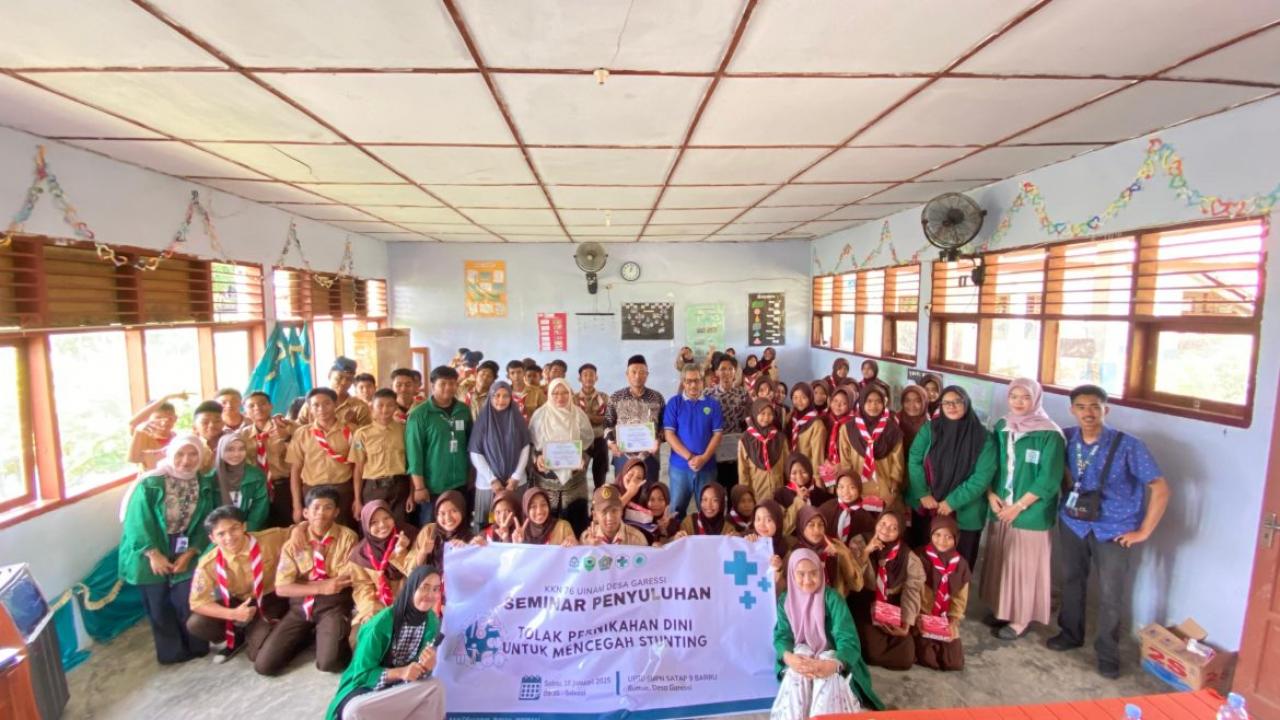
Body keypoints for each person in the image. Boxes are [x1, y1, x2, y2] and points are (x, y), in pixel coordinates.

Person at [1048, 384, 1170, 679]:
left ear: (1106, 409)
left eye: (1094, 406)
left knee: (1110, 593)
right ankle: (1070, 634)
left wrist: (1143, 531)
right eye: (1081, 407)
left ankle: (1107, 653)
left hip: (1114, 529)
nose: (1088, 413)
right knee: (1072, 580)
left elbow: (1160, 488)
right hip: (1074, 523)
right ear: (1072, 410)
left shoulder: (1128, 445)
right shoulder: (1066, 438)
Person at [119, 435, 219, 664]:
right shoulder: (151, 483)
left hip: (185, 547)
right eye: (180, 454)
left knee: (188, 598)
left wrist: (192, 551)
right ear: (170, 454)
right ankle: (172, 653)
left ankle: (197, 645)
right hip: (149, 551)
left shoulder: (202, 483)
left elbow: (206, 521)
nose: (186, 460)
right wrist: (153, 553)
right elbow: (137, 522)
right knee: (159, 604)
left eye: (193, 454)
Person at [981, 378, 1065, 642]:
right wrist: (990, 494)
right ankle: (1003, 610)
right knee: (1002, 561)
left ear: (1036, 399)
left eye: (1025, 397)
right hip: (1000, 506)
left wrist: (1018, 506)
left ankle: (1021, 619)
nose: (1018, 402)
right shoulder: (1003, 427)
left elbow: (1049, 480)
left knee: (1025, 567)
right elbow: (992, 465)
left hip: (1030, 512)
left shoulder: (1049, 434)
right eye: (1014, 396)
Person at [257, 486, 358, 675]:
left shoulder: (347, 538)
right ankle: (307, 636)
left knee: (329, 663)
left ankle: (329, 634)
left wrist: (302, 584)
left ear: (336, 512)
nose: (321, 513)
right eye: (316, 507)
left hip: (333, 605)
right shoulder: (293, 543)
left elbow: (340, 582)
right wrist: (320, 586)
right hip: (300, 606)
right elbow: (282, 588)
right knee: (264, 666)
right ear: (305, 512)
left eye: (328, 507)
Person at [772, 549, 883, 719]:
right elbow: (782, 637)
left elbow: (848, 640)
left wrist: (832, 665)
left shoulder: (833, 599)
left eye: (813, 573)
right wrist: (790, 658)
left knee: (828, 674)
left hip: (836, 659)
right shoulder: (785, 601)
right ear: (791, 575)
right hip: (804, 658)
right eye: (801, 574)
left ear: (821, 571)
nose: (808, 580)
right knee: (799, 663)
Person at [326, 565, 446, 720]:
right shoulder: (380, 625)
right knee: (355, 711)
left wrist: (426, 667)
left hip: (399, 689)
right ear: (411, 588)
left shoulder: (431, 622)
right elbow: (362, 675)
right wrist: (400, 672)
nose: (430, 595)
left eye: (436, 589)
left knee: (436, 688)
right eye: (425, 587)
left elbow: (416, 672)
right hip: (369, 689)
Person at [186, 506, 289, 664]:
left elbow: (299, 530)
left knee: (257, 655)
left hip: (272, 598)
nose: (229, 537)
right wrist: (233, 614)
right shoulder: (208, 563)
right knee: (196, 623)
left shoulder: (271, 538)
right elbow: (197, 602)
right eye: (221, 534)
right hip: (240, 602)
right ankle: (237, 635)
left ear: (244, 526)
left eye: (234, 529)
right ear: (212, 538)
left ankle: (262, 630)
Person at [906, 385, 996, 565]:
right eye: (946, 403)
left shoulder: (983, 437)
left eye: (957, 402)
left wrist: (952, 502)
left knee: (959, 566)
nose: (951, 406)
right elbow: (914, 459)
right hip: (928, 507)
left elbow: (982, 477)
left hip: (965, 512)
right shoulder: (930, 429)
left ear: (967, 403)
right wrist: (923, 493)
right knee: (922, 562)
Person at [854, 511, 923, 671]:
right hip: (864, 600)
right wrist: (866, 552)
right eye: (883, 524)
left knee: (906, 658)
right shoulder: (859, 541)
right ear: (876, 523)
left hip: (892, 603)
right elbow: (851, 576)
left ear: (900, 532)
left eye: (893, 528)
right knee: (872, 653)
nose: (886, 530)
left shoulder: (907, 555)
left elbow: (912, 590)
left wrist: (906, 622)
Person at [406, 366, 473, 526]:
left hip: (460, 483)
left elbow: (470, 444)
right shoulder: (419, 415)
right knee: (432, 529)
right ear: (432, 385)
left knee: (459, 527)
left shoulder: (463, 410)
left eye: (452, 383)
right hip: (433, 486)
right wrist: (419, 487)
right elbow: (414, 454)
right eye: (443, 383)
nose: (448, 388)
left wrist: (470, 476)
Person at [529, 378, 594, 534]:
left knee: (576, 529)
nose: (560, 397)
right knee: (546, 530)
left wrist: (583, 458)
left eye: (565, 392)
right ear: (549, 395)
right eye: (555, 393)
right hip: (546, 483)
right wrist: (536, 458)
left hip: (574, 484)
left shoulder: (578, 415)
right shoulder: (539, 416)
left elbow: (589, 443)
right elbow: (530, 445)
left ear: (570, 394)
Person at [287, 388, 358, 530]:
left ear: (335, 404)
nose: (322, 409)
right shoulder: (302, 434)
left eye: (327, 403)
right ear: (310, 408)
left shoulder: (351, 431)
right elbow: (295, 470)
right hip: (312, 491)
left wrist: (357, 499)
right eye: (316, 405)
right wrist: (297, 506)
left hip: (343, 491)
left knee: (345, 532)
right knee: (315, 532)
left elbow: (357, 467)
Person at [348, 501, 416, 646]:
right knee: (360, 637)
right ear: (366, 526)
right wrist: (371, 609)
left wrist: (401, 553)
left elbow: (418, 574)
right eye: (374, 522)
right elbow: (362, 587)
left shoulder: (411, 536)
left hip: (410, 601)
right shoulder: (360, 553)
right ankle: (369, 668)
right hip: (379, 604)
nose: (382, 525)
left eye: (386, 518)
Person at [468, 381, 531, 534]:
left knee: (515, 520)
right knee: (491, 521)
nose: (500, 400)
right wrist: (492, 479)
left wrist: (516, 476)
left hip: (515, 484)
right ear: (490, 397)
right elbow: (475, 453)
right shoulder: (482, 421)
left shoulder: (517, 420)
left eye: (505, 396)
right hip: (488, 485)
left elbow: (525, 447)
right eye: (496, 396)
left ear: (511, 398)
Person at [663, 364, 724, 519]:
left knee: (708, 512)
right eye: (689, 381)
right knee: (676, 511)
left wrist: (703, 458)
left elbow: (717, 435)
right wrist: (690, 457)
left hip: (707, 468)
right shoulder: (674, 403)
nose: (693, 385)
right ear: (683, 382)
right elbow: (669, 434)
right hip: (680, 468)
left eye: (697, 380)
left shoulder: (713, 404)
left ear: (702, 381)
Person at [914, 515, 971, 672]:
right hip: (922, 615)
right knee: (928, 658)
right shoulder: (919, 557)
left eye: (948, 537)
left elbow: (960, 598)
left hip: (945, 618)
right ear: (930, 535)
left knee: (953, 662)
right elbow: (912, 591)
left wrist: (953, 620)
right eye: (937, 535)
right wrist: (918, 615)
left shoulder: (961, 564)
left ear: (956, 539)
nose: (942, 541)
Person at [838, 384, 906, 517]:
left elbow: (898, 462)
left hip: (883, 486)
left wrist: (894, 486)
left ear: (884, 403)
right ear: (862, 402)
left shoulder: (892, 429)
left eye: (878, 401)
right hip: (856, 487)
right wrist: (848, 483)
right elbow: (845, 459)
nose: (873, 406)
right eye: (869, 401)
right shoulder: (848, 428)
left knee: (880, 523)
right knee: (858, 522)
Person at [604, 354, 666, 485]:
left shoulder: (657, 397)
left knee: (649, 493)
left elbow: (664, 426)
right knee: (623, 492)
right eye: (634, 372)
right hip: (623, 455)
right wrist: (611, 443)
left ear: (647, 375)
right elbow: (607, 423)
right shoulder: (616, 397)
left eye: (642, 372)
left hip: (650, 455)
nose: (638, 376)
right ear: (627, 374)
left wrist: (659, 440)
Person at [352, 389, 411, 527]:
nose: (385, 410)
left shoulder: (405, 430)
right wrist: (357, 499)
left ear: (396, 407)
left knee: (400, 527)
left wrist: (412, 493)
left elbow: (411, 463)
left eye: (390, 405)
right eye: (380, 405)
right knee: (374, 527)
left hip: (400, 487)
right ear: (372, 406)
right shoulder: (362, 434)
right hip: (373, 488)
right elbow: (358, 469)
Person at [240, 391, 297, 528]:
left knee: (287, 527)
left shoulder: (288, 427)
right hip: (257, 490)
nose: (257, 408)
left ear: (271, 406)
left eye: (262, 404)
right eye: (251, 406)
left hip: (284, 487)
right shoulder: (242, 435)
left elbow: (301, 454)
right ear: (245, 412)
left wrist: (286, 438)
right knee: (261, 528)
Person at [791, 505, 861, 596]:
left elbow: (856, 585)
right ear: (801, 526)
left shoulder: (836, 545)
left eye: (821, 525)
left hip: (834, 605)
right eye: (811, 525)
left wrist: (844, 555)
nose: (817, 530)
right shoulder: (795, 553)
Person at [206, 433, 270, 532]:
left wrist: (246, 530)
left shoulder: (256, 476)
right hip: (220, 534)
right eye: (230, 449)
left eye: (241, 449)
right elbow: (208, 512)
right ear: (221, 450)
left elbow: (260, 508)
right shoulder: (210, 480)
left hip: (251, 532)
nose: (236, 454)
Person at [705, 354, 751, 490]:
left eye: (730, 369)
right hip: (715, 447)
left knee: (735, 488)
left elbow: (748, 419)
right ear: (716, 372)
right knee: (716, 488)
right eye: (723, 369)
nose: (726, 372)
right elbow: (704, 419)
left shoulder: (742, 394)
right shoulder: (708, 394)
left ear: (735, 372)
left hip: (736, 447)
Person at [409, 490, 475, 574]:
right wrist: (423, 552)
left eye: (454, 511)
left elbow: (473, 574)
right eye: (442, 513)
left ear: (462, 511)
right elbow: (413, 570)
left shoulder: (470, 538)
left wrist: (465, 551)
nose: (448, 518)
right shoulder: (429, 531)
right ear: (436, 515)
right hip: (431, 585)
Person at [300, 357, 372, 428]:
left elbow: (367, 436)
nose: (343, 382)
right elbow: (297, 430)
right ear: (329, 375)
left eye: (349, 379)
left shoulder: (359, 408)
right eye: (339, 377)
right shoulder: (313, 403)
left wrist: (352, 426)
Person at [775, 453, 832, 536]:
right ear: (788, 474)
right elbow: (783, 528)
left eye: (804, 472)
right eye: (794, 473)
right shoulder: (780, 495)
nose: (799, 476)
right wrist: (799, 500)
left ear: (810, 471)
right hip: (792, 542)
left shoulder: (820, 493)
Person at [573, 364, 611, 489]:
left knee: (600, 478)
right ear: (579, 378)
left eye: (591, 375)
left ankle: (598, 504)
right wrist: (596, 419)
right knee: (577, 475)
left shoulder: (604, 397)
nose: (588, 378)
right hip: (581, 442)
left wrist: (586, 417)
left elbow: (608, 419)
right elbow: (572, 421)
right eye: (585, 375)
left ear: (596, 378)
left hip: (600, 440)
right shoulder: (573, 399)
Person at [739, 399, 786, 499]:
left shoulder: (780, 437)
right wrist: (745, 495)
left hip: (779, 491)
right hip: (757, 493)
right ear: (755, 413)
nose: (766, 417)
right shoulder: (745, 439)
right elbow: (743, 471)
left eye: (770, 414)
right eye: (762, 413)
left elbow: (787, 465)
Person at [819, 470, 877, 547]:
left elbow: (872, 533)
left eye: (852, 487)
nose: (846, 492)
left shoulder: (866, 512)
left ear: (859, 489)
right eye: (841, 487)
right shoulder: (827, 507)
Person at [743, 499, 791, 590]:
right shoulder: (747, 539)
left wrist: (778, 570)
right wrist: (743, 547)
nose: (762, 524)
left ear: (778, 522)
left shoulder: (785, 551)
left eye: (768, 520)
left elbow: (785, 590)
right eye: (758, 519)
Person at [580, 484, 649, 546]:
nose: (610, 518)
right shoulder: (586, 539)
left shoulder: (637, 540)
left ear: (621, 511)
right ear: (595, 515)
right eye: (604, 512)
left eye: (614, 511)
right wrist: (589, 549)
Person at [128, 397, 180, 472]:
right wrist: (166, 397)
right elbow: (132, 424)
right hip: (151, 481)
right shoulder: (142, 436)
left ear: (175, 418)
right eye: (158, 418)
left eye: (169, 418)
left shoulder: (176, 437)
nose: (164, 422)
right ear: (147, 419)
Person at [820, 388, 855, 491]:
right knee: (828, 493)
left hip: (845, 466)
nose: (838, 405)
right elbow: (819, 444)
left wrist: (841, 465)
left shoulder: (854, 424)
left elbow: (856, 451)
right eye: (835, 401)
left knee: (843, 493)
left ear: (850, 405)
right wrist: (825, 460)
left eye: (844, 403)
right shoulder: (824, 420)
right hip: (826, 465)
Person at [788, 383, 827, 472]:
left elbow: (818, 456)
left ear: (810, 398)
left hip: (807, 471)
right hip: (791, 469)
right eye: (795, 398)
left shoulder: (817, 424)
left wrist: (816, 476)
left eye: (803, 397)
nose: (799, 401)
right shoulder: (790, 418)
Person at [896, 384, 930, 461]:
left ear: (924, 403)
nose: (912, 405)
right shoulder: (894, 421)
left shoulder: (929, 427)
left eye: (918, 401)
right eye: (907, 400)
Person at [192, 400, 226, 473]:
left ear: (223, 423)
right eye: (205, 422)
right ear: (194, 427)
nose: (211, 425)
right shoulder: (189, 447)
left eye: (217, 421)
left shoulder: (233, 444)